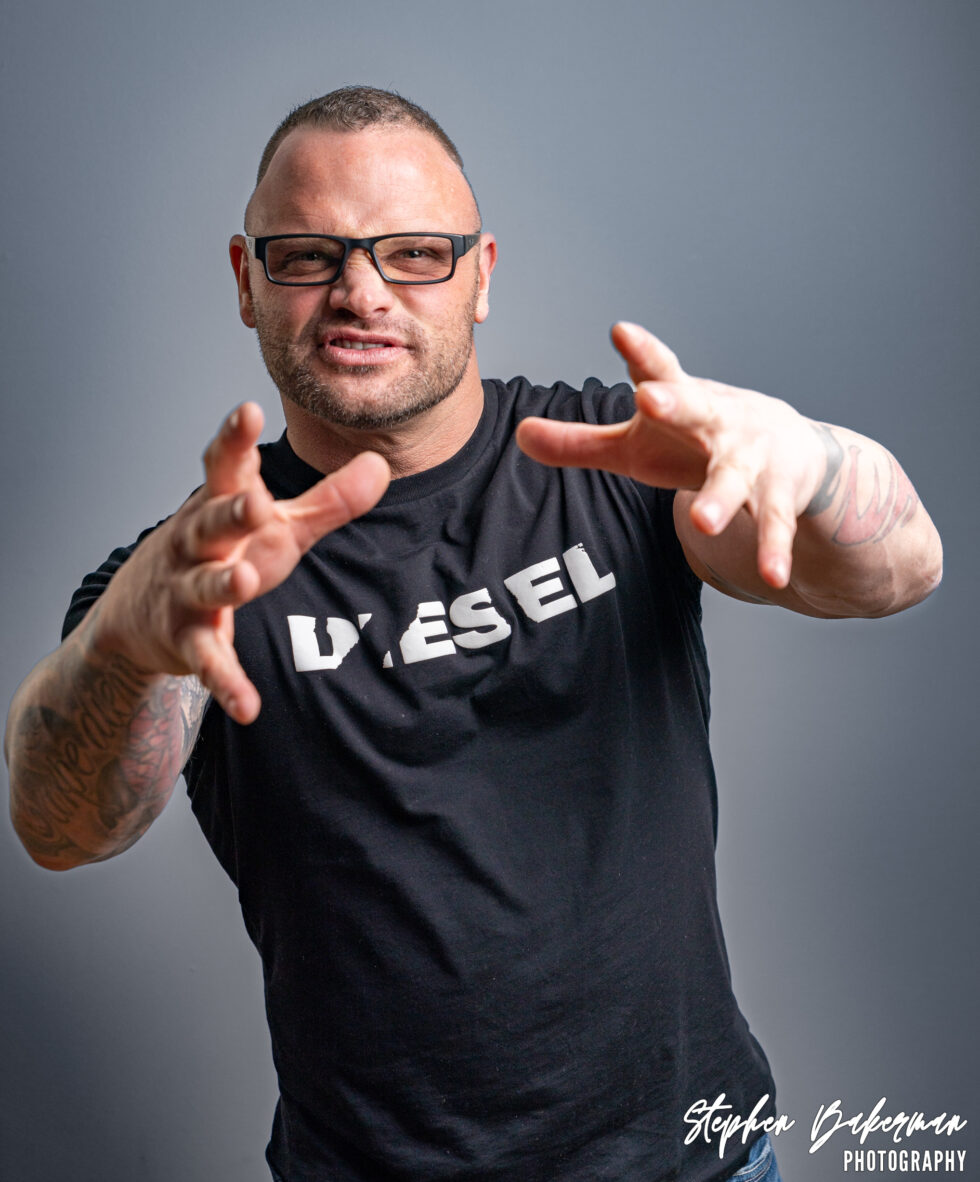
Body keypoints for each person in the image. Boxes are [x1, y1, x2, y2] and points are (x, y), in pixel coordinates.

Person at [4, 86, 941, 1182]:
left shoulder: (617, 456)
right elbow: (61, 831)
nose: (360, 291)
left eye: (413, 253)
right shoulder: (192, 573)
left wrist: (814, 462)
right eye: (306, 255)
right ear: (246, 281)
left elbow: (899, 571)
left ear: (480, 274)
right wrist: (126, 648)